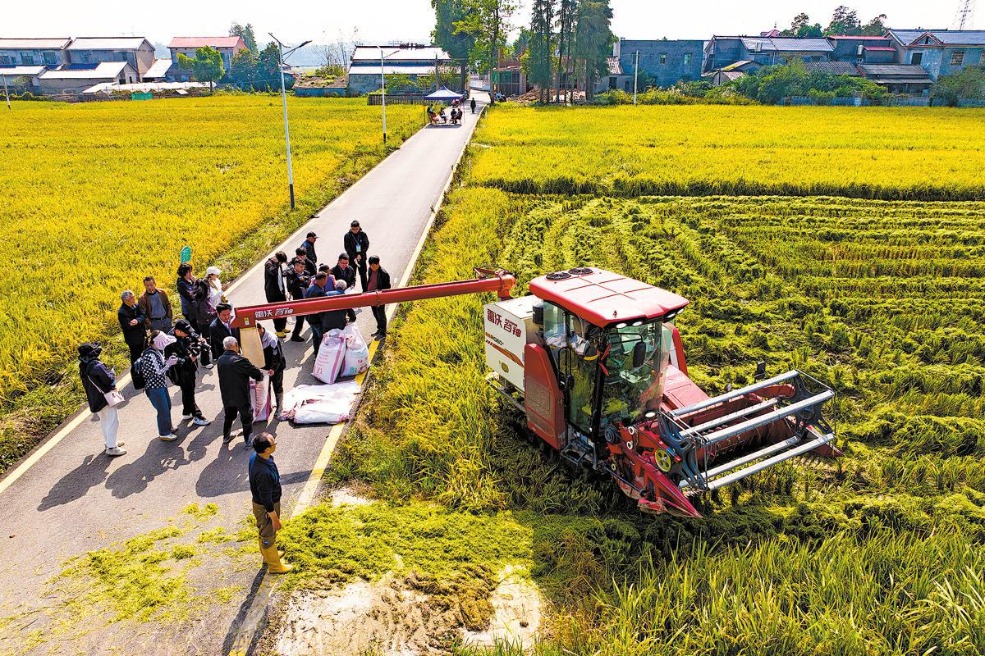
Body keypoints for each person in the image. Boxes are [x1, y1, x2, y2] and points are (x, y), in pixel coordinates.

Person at [249, 433, 292, 574]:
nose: (275, 444)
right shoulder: (263, 473)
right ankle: (274, 566)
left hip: (264, 503)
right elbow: (266, 500)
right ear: (267, 449)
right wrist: (275, 519)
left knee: (264, 530)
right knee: (268, 534)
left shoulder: (256, 457)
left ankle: (268, 556)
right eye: (274, 443)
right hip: (266, 507)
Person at [78, 343, 127, 457]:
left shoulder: (83, 366)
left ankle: (109, 442)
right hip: (104, 398)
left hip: (94, 399)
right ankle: (112, 447)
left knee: (104, 421)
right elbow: (108, 379)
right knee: (113, 421)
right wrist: (112, 372)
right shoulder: (96, 365)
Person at [218, 336, 263, 447]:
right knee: (246, 417)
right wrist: (260, 376)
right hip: (241, 394)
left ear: (224, 347)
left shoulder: (220, 360)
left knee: (229, 415)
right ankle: (248, 441)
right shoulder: (240, 360)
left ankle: (226, 437)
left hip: (226, 394)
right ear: (236, 345)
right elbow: (256, 373)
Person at [167, 320, 211, 426]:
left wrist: (200, 340)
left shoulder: (184, 333)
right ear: (177, 331)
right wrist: (192, 356)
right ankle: (197, 415)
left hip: (190, 368)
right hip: (180, 371)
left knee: (187, 390)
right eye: (185, 332)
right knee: (189, 392)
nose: (188, 334)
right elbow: (177, 360)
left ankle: (186, 412)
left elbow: (193, 335)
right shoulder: (170, 342)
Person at [138, 331, 180, 441]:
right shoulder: (150, 355)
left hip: (161, 385)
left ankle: (168, 427)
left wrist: (167, 362)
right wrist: (169, 364)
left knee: (167, 406)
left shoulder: (156, 351)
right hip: (154, 388)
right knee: (163, 410)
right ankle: (164, 433)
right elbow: (158, 372)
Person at [257, 324, 287, 412]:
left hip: (276, 368)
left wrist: (273, 369)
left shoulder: (271, 339)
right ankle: (267, 408)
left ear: (260, 329)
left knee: (277, 387)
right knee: (266, 388)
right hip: (264, 368)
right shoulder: (255, 338)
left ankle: (279, 407)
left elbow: (277, 356)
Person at [191, 277, 217, 369]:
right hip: (205, 324)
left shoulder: (202, 298)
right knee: (206, 342)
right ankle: (205, 361)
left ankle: (214, 356)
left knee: (211, 340)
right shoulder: (202, 301)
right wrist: (216, 313)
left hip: (205, 323)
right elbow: (206, 314)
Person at [264, 251, 290, 338]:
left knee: (284, 309)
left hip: (280, 290)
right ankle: (278, 330)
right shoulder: (268, 264)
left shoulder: (278, 264)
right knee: (276, 311)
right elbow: (273, 272)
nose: (280, 264)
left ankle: (282, 327)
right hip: (272, 293)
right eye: (280, 262)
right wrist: (276, 263)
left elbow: (280, 275)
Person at [117, 290, 147, 365]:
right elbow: (128, 325)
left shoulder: (136, 305)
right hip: (133, 339)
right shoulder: (122, 312)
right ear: (126, 301)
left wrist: (137, 320)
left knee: (145, 354)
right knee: (136, 357)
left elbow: (143, 315)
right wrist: (137, 321)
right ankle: (135, 371)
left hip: (142, 335)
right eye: (132, 298)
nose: (134, 299)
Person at [303, 272, 331, 352]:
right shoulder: (319, 292)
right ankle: (321, 353)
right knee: (321, 338)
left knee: (315, 336)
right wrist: (325, 321)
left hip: (310, 318)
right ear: (322, 280)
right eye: (326, 279)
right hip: (317, 320)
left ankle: (316, 352)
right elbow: (321, 309)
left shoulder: (311, 288)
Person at [285, 258, 312, 342]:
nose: (302, 268)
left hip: (307, 298)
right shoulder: (291, 274)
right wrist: (298, 280)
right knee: (300, 318)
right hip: (298, 299)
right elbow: (290, 286)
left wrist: (302, 282)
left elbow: (307, 283)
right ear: (295, 266)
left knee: (311, 315)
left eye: (303, 267)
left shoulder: (307, 273)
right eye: (300, 267)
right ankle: (295, 335)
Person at [366, 255, 392, 340]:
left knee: (381, 314)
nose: (371, 267)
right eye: (370, 265)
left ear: (378, 264)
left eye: (373, 265)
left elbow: (387, 288)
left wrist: (380, 294)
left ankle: (383, 333)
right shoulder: (370, 269)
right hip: (371, 295)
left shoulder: (384, 274)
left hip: (379, 297)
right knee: (375, 314)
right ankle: (379, 329)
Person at [330, 253, 358, 323]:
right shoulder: (333, 271)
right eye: (342, 263)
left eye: (346, 263)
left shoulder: (350, 269)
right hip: (338, 295)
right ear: (338, 262)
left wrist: (352, 285)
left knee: (352, 314)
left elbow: (353, 278)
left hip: (348, 292)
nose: (344, 265)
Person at [343, 220, 370, 291]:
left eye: (356, 229)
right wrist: (354, 257)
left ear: (359, 227)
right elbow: (347, 248)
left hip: (361, 258)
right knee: (352, 276)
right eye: (353, 229)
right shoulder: (347, 236)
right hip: (352, 259)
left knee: (363, 275)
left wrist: (360, 254)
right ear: (350, 227)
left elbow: (366, 245)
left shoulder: (363, 234)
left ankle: (365, 290)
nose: (355, 231)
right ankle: (351, 290)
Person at [175, 263, 198, 330]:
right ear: (184, 273)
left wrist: (196, 282)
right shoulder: (181, 284)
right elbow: (190, 297)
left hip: (195, 307)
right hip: (189, 310)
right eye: (189, 272)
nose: (191, 273)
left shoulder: (191, 280)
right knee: (195, 328)